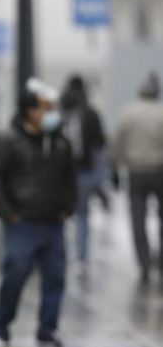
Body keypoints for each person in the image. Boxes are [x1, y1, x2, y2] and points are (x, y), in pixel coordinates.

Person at [0, 78, 76, 347]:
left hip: (53, 222)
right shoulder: (8, 140)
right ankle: (4, 319)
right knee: (16, 272)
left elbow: (69, 179)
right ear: (29, 110)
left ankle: (47, 330)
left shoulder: (60, 143)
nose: (50, 114)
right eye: (44, 108)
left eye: (52, 108)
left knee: (55, 277)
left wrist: (67, 207)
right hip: (21, 221)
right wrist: (8, 214)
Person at [113, 72, 163, 285]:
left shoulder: (128, 113)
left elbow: (117, 142)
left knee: (137, 219)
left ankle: (143, 262)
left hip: (136, 172)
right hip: (159, 170)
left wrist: (116, 166)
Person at [60, 75, 108, 276]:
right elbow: (100, 143)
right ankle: (80, 257)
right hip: (84, 171)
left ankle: (60, 254)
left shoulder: (59, 111)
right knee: (82, 216)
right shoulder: (90, 112)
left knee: (59, 215)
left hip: (61, 172)